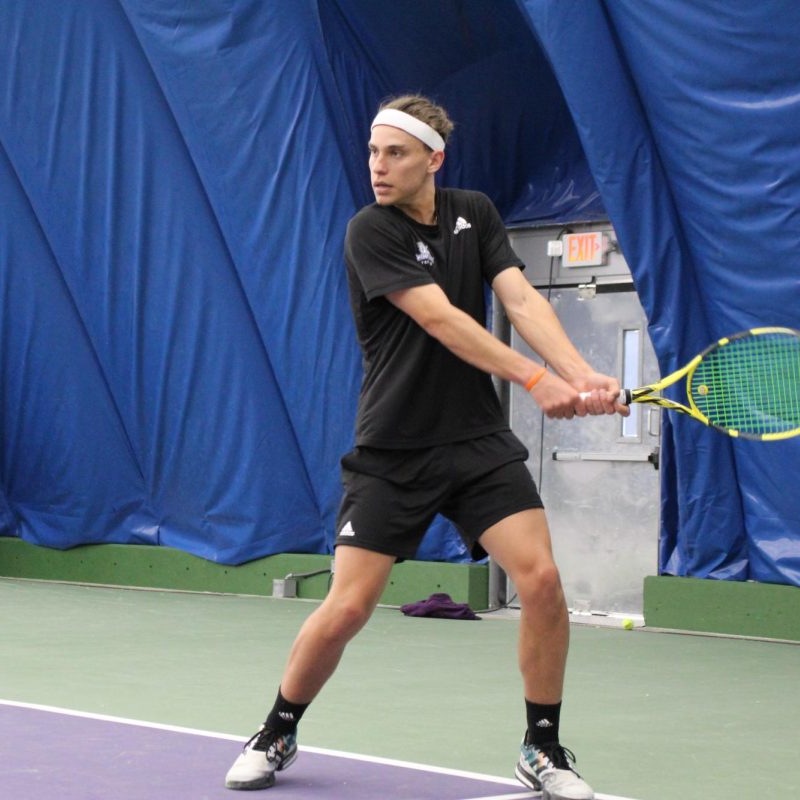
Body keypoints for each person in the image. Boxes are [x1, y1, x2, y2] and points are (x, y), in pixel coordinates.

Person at [223, 95, 627, 800]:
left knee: (541, 582)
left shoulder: (476, 212)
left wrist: (581, 373)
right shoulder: (369, 231)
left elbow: (523, 300)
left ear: (433, 159)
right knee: (348, 607)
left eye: (395, 153)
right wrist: (535, 377)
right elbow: (440, 319)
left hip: (476, 444)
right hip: (393, 451)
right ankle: (277, 728)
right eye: (373, 152)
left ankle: (542, 749)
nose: (377, 166)